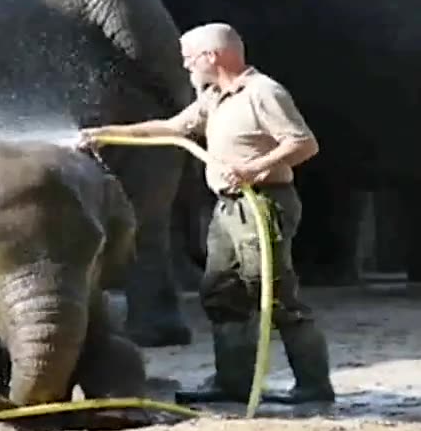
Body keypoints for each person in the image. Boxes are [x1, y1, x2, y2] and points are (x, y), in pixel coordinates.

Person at [79, 22, 335, 405]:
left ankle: (314, 385)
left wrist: (253, 169)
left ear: (211, 56)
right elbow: (172, 128)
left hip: (263, 202)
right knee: (221, 292)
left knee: (273, 293)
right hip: (229, 207)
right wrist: (105, 132)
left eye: (189, 59)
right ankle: (233, 382)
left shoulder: (263, 93)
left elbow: (303, 143)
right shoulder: (215, 97)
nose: (186, 67)